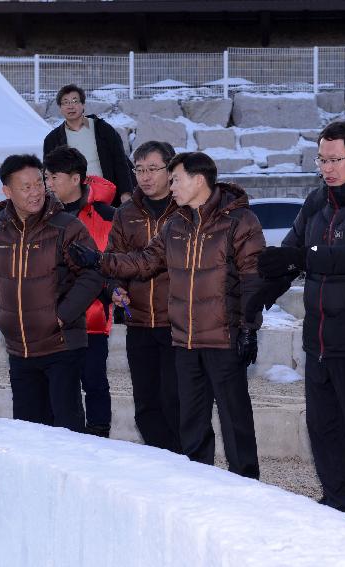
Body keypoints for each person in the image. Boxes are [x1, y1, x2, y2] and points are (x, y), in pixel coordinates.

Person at [69, 151, 264, 478]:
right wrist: (98, 261)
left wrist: (248, 327)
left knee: (235, 419)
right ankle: (198, 482)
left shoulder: (239, 221)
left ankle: (246, 485)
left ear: (198, 180)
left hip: (223, 335)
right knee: (191, 421)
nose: (170, 186)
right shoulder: (176, 225)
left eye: (175, 179)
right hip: (184, 339)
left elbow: (253, 278)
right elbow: (143, 263)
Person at [252, 121, 345, 528]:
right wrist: (254, 298)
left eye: (335, 159)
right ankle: (337, 501)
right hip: (318, 337)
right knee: (323, 428)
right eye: (322, 159)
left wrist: (303, 259)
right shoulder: (317, 201)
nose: (327, 168)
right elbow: (288, 255)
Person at [0, 154, 103, 431]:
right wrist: (0, 315)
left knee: (66, 433)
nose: (35, 192)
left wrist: (61, 316)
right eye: (26, 187)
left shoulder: (66, 227)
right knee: (28, 434)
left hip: (60, 346)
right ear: (7, 191)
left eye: (39, 183)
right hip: (18, 350)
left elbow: (94, 272)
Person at [105, 141, 182, 453]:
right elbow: (112, 260)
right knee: (146, 404)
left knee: (175, 400)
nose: (146, 177)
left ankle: (183, 463)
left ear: (170, 170)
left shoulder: (185, 209)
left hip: (178, 323)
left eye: (153, 169)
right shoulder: (125, 214)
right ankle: (159, 462)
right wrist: (114, 288)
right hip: (139, 321)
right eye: (139, 170)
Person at [43, 146, 117, 438]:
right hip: (53, 318)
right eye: (46, 177)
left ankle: (100, 438)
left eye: (53, 177)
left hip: (93, 317)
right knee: (60, 385)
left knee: (95, 382)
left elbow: (114, 262)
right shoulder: (44, 216)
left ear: (76, 179)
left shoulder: (106, 215)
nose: (48, 184)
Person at [43, 84, 134, 206]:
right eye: (65, 102)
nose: (71, 106)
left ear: (83, 105)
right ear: (60, 107)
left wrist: (125, 193)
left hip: (107, 197)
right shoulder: (52, 139)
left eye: (75, 101)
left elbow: (120, 162)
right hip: (73, 200)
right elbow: (49, 172)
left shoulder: (103, 129)